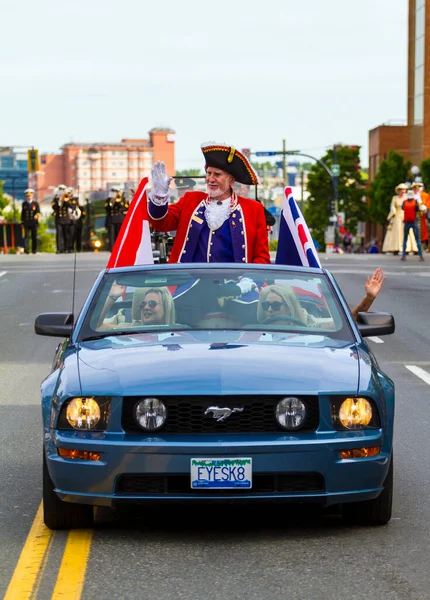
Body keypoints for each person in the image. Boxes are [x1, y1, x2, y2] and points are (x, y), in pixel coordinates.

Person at [148, 142, 270, 264]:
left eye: (217, 174)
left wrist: (249, 280)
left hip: (235, 282)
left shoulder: (253, 209)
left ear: (231, 180)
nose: (210, 179)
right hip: (189, 281)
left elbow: (261, 257)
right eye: (208, 173)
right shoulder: (190, 200)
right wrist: (160, 196)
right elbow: (161, 223)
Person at [97, 282, 175, 329]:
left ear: (166, 307)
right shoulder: (129, 330)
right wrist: (112, 297)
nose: (146, 307)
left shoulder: (181, 332)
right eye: (143, 304)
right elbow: (97, 327)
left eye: (152, 304)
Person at [382, 183, 417, 254]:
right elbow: (392, 207)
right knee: (397, 231)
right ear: (398, 191)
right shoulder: (395, 198)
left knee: (408, 232)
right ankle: (396, 247)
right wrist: (391, 216)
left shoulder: (407, 198)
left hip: (406, 215)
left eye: (403, 190)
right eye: (401, 190)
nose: (402, 191)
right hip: (397, 216)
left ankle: (408, 248)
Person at [400, 189, 426, 261]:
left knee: (405, 239)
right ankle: (420, 256)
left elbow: (402, 208)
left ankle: (403, 256)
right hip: (414, 222)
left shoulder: (404, 202)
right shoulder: (415, 202)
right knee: (417, 239)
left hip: (406, 222)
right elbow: (418, 209)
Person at [52, 186, 73, 253]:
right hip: (59, 219)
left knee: (66, 234)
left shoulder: (67, 199)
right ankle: (59, 248)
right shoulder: (55, 200)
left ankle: (66, 248)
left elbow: (70, 206)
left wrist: (66, 200)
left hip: (66, 219)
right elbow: (54, 207)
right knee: (59, 234)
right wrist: (59, 201)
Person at [21, 189, 40, 254]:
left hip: (33, 222)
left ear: (32, 196)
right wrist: (22, 222)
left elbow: (38, 212)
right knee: (26, 237)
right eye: (28, 196)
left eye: (30, 196)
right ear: (26, 196)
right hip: (26, 222)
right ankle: (26, 250)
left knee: (34, 236)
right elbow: (23, 213)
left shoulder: (35, 203)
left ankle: (34, 250)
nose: (29, 197)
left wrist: (37, 215)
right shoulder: (24, 204)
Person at [413, 182, 430, 252]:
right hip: (412, 216)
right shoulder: (411, 195)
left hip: (422, 216)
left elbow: (427, 204)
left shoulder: (424, 195)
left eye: (418, 187)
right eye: (415, 187)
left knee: (423, 230)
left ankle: (423, 245)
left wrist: (424, 208)